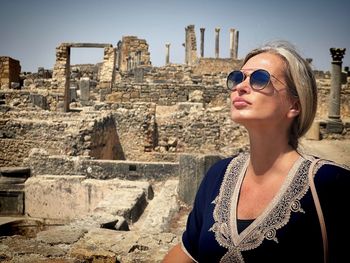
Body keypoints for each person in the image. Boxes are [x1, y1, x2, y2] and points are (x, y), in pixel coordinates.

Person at [162, 41, 350, 263]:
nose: (240, 87)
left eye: (259, 79)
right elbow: (188, 253)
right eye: (237, 78)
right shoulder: (218, 175)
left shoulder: (331, 184)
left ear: (294, 105)